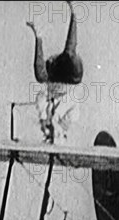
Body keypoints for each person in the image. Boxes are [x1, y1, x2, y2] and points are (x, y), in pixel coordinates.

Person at [26, 0, 83, 143]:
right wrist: (56, 122)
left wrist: (45, 120)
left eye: (50, 135)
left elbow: (40, 96)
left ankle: (38, 36)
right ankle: (75, 13)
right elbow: (72, 101)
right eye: (56, 135)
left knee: (40, 76)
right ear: (63, 134)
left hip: (53, 77)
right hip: (70, 79)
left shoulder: (45, 118)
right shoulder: (71, 117)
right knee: (69, 53)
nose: (52, 133)